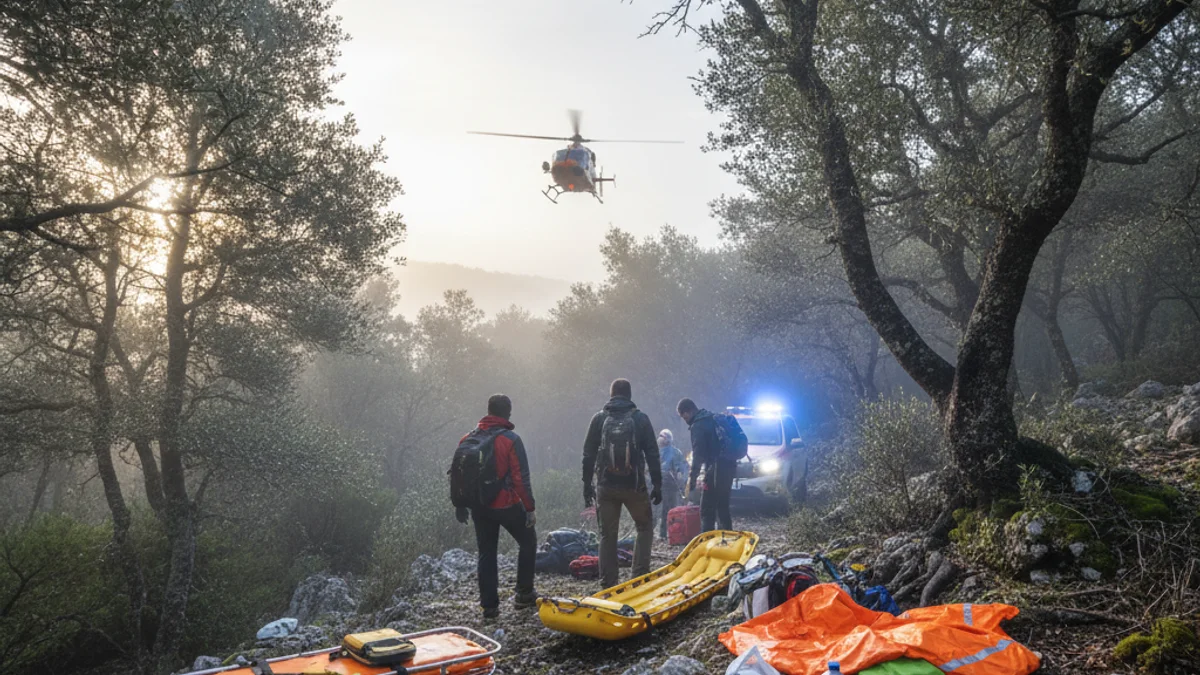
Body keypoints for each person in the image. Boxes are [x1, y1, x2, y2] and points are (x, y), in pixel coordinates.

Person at [454, 394, 537, 618]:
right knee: (528, 541)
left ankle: (489, 608)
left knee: (487, 552)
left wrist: (460, 504)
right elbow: (521, 478)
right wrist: (529, 508)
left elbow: (458, 476)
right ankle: (524, 595)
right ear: (507, 412)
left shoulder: (467, 439)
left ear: (489, 411)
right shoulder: (510, 439)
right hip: (506, 504)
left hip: (479, 506)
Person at [582, 378, 662, 588]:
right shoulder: (640, 419)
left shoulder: (599, 419)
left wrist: (586, 485)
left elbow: (588, 454)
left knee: (607, 535)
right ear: (629, 395)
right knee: (644, 528)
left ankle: (608, 584)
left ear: (611, 395)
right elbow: (653, 453)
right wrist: (657, 484)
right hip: (634, 486)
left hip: (606, 487)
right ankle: (639, 579)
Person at [678, 398, 733, 532]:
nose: (683, 419)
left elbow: (698, 455)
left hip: (714, 470)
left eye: (682, 415)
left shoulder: (698, 425)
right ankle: (727, 540)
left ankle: (707, 542)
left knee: (707, 510)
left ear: (688, 412)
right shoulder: (711, 417)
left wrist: (692, 480)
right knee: (723, 506)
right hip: (729, 466)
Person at [654, 429, 689, 540]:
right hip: (657, 485)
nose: (660, 438)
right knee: (658, 510)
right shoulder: (655, 452)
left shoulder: (675, 452)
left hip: (670, 485)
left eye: (662, 436)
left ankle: (669, 533)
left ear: (668, 439)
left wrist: (680, 477)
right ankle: (660, 532)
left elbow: (682, 467)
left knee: (669, 509)